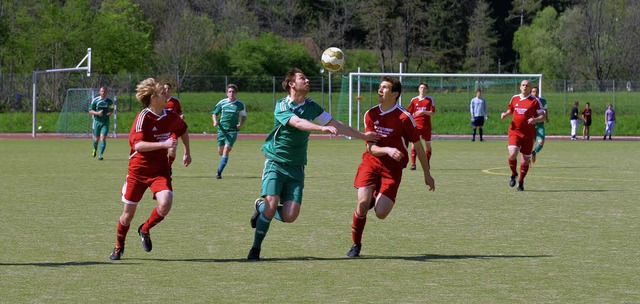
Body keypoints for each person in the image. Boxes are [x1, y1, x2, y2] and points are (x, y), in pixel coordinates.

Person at [247, 68, 378, 261]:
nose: (307, 80)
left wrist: (362, 136)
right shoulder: (282, 105)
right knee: (272, 204)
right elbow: (298, 122)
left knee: (290, 215)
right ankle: (255, 249)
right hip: (276, 162)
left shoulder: (311, 105)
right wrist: (320, 128)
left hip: (297, 167)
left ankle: (260, 207)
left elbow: (337, 124)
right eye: (302, 78)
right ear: (291, 84)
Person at [347, 76, 435, 258]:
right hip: (371, 162)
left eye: (385, 88)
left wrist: (427, 174)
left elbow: (418, 147)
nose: (380, 90)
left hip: (392, 170)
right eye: (379, 87)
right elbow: (370, 147)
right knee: (362, 204)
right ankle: (356, 244)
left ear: (395, 94)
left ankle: (375, 196)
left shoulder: (404, 117)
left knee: (381, 213)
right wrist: (387, 149)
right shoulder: (370, 114)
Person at [109, 78, 192, 260]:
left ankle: (145, 229)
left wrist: (187, 151)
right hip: (138, 172)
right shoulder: (143, 118)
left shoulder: (170, 115)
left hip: (159, 171)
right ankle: (118, 245)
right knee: (127, 215)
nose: (167, 95)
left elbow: (183, 130)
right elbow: (137, 146)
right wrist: (164, 144)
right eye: (163, 92)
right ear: (154, 97)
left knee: (166, 202)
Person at [500, 80, 545, 191]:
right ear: (520, 87)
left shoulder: (535, 101)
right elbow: (510, 110)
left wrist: (535, 119)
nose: (525, 87)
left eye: (527, 85)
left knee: (525, 160)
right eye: (523, 85)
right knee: (512, 154)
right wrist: (505, 114)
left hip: (529, 134)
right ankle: (514, 173)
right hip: (514, 131)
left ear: (530, 88)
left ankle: (520, 181)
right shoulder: (514, 98)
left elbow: (543, 116)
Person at [211, 84, 247, 179]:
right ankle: (224, 154)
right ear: (227, 93)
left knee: (226, 150)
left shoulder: (240, 104)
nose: (231, 93)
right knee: (221, 151)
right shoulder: (222, 103)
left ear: (236, 93)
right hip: (222, 130)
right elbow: (214, 113)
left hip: (233, 130)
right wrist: (215, 121)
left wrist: (241, 124)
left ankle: (218, 173)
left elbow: (244, 116)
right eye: (230, 91)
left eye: (233, 92)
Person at [406, 82, 436, 170]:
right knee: (414, 145)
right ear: (418, 89)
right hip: (416, 126)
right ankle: (413, 164)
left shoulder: (430, 100)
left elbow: (433, 112)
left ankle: (427, 164)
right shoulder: (414, 100)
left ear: (426, 90)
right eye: (421, 88)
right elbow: (409, 113)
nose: (422, 89)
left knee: (428, 145)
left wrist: (423, 112)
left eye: (424, 88)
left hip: (426, 127)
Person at [88, 86, 114, 160]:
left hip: (105, 122)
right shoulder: (95, 100)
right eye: (102, 91)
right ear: (100, 92)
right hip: (97, 122)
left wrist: (110, 113)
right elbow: (90, 110)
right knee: (96, 139)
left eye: (105, 91)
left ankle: (100, 155)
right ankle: (95, 149)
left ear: (106, 92)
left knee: (103, 138)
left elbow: (112, 108)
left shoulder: (110, 101)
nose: (103, 93)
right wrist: (97, 113)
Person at [164, 83, 185, 169]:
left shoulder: (175, 101)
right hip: (162, 129)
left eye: (168, 88)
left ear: (171, 90)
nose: (167, 90)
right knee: (162, 151)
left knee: (172, 150)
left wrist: (181, 116)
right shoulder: (159, 100)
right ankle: (163, 167)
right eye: (165, 88)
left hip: (173, 129)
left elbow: (180, 112)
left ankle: (169, 166)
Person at [530, 86, 549, 163]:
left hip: (540, 124)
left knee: (541, 142)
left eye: (536, 91)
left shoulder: (542, 100)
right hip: (531, 125)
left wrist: (546, 118)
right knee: (530, 143)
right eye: (533, 91)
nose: (535, 93)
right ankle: (526, 160)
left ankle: (534, 152)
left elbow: (545, 110)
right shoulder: (528, 101)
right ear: (531, 92)